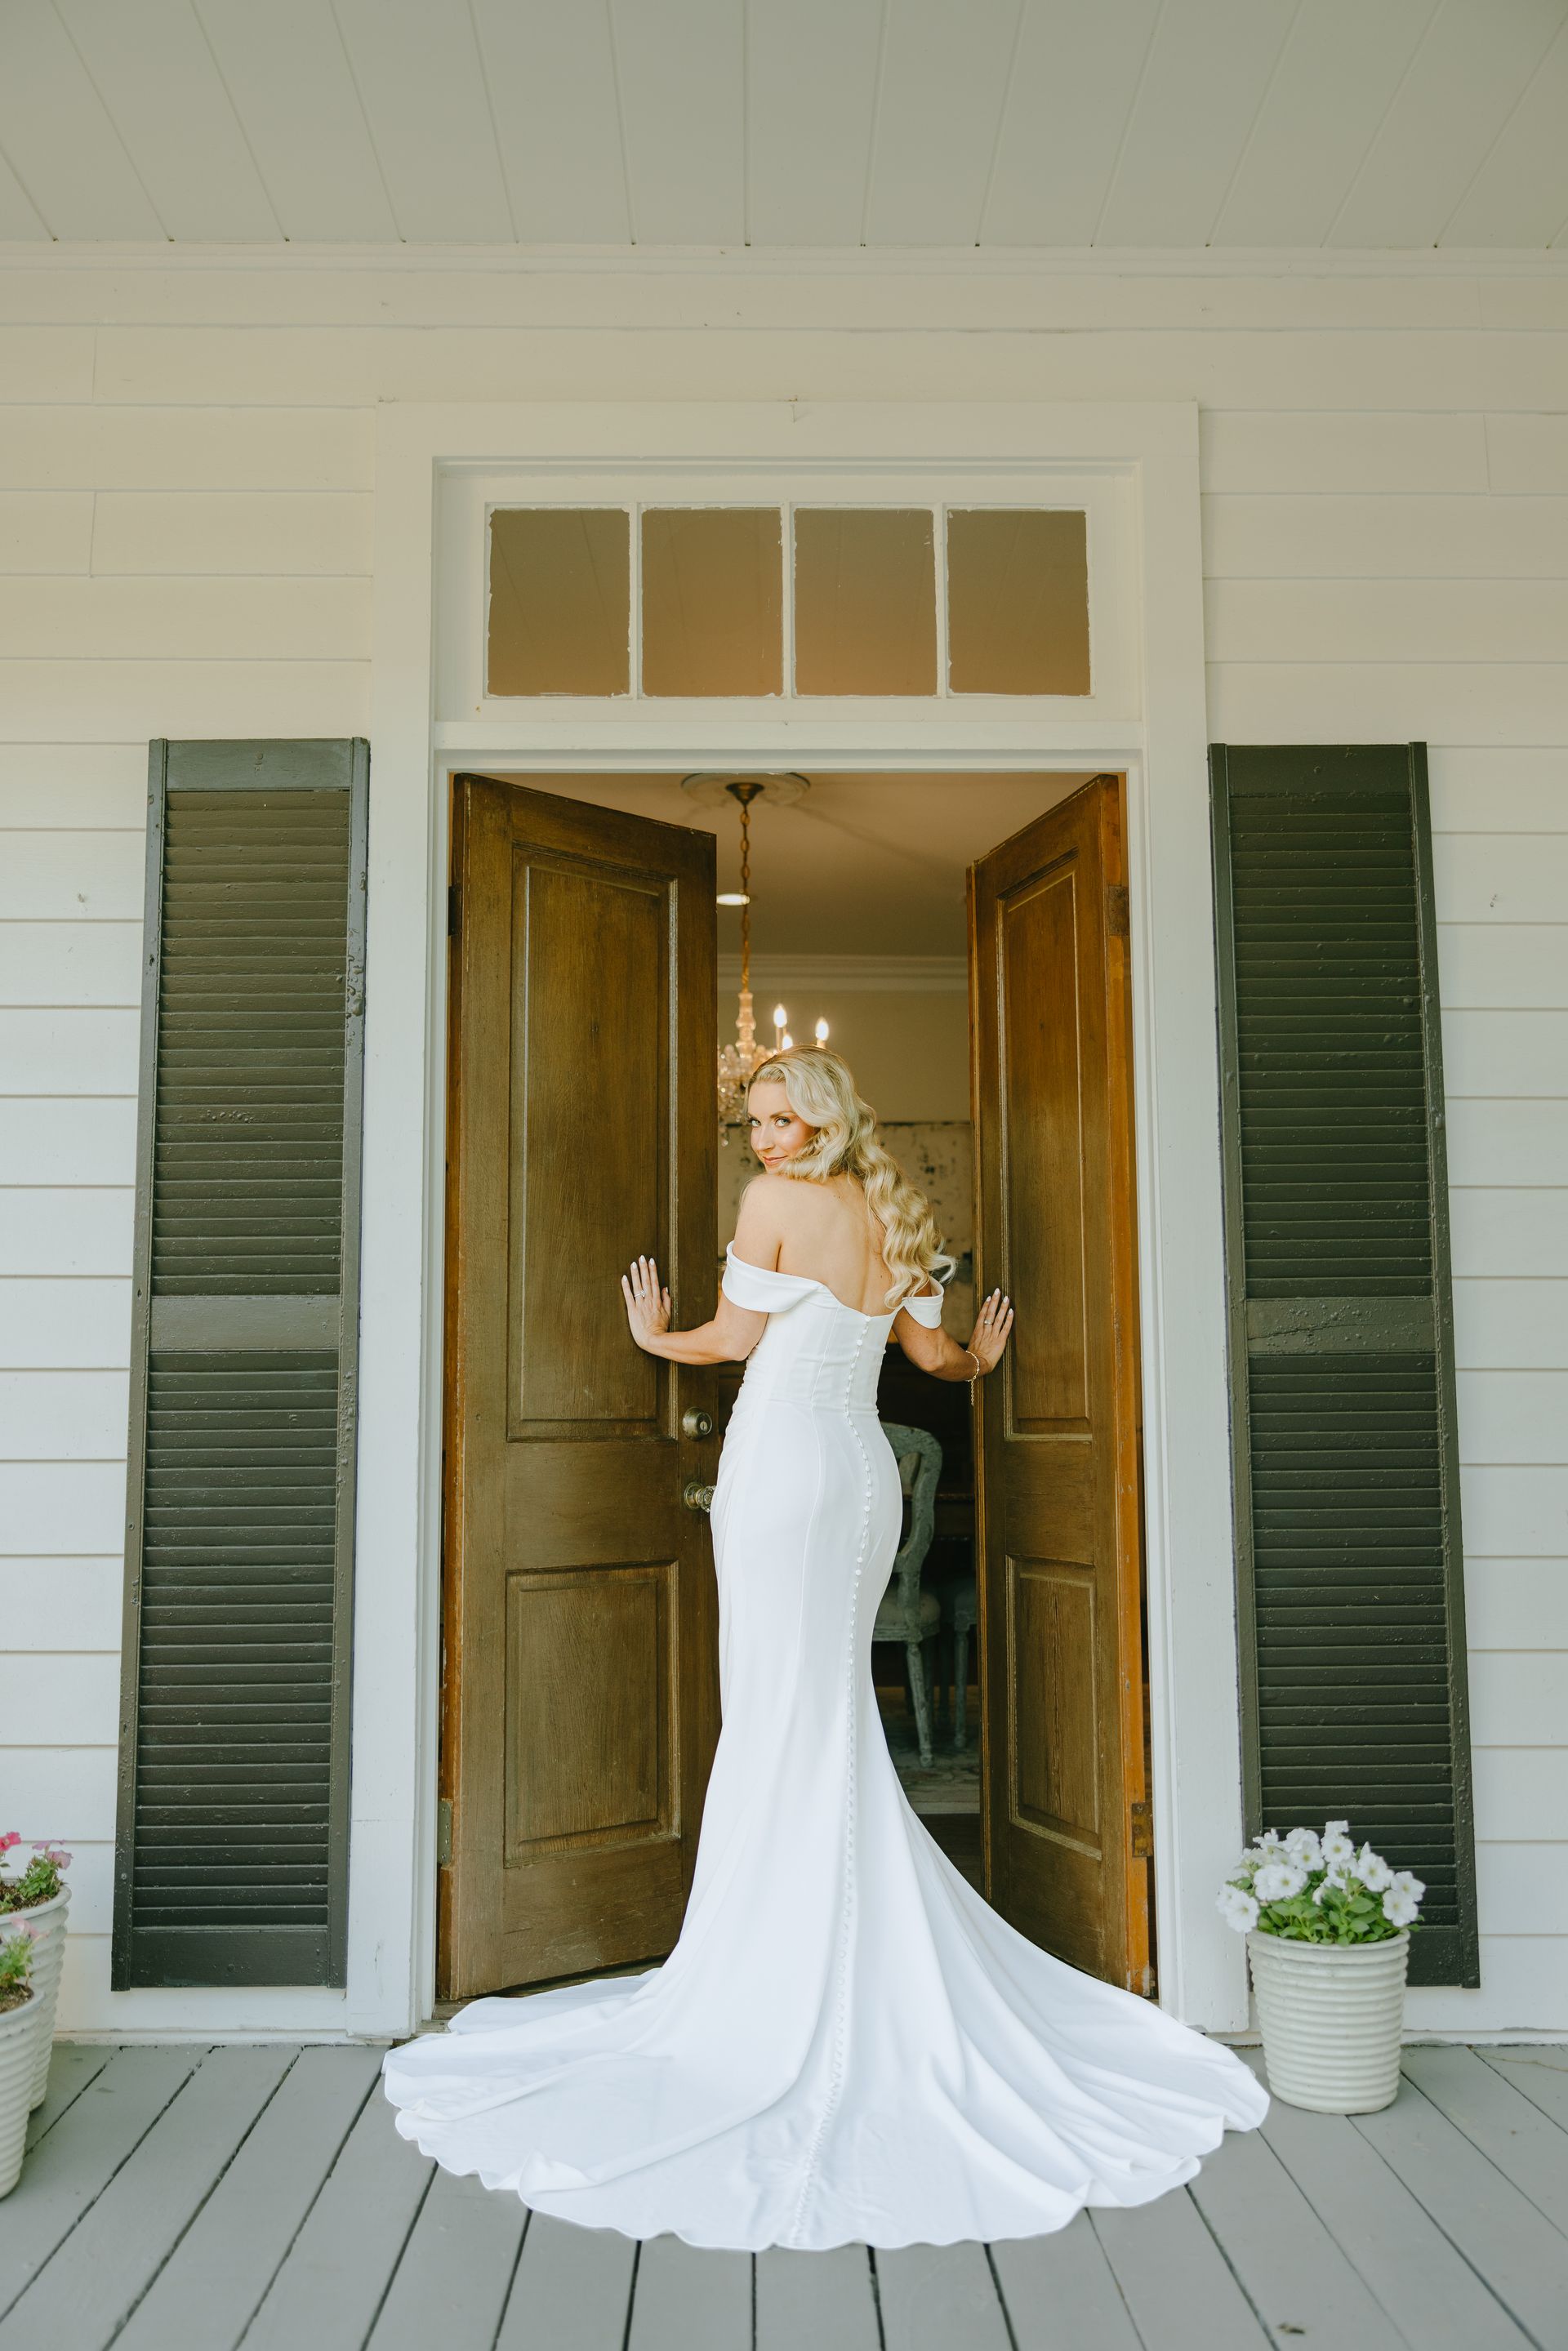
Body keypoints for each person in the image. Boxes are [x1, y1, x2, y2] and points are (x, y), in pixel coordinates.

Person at [382, 1049, 1266, 2248]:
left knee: (781, 1713)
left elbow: (730, 1345)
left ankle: (770, 1973)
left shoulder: (774, 1209)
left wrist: (657, 1331)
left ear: (824, 1120)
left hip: (789, 1473)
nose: (765, 1142)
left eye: (782, 1120)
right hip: (863, 1478)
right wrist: (985, 1363)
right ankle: (827, 1946)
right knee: (826, 1711)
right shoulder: (897, 1213)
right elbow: (934, 1363)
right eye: (755, 1124)